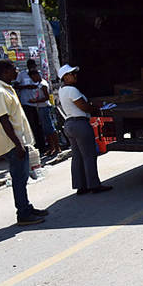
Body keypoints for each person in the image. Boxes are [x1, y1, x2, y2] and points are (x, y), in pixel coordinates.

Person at [0, 59, 48, 226]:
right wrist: (18, 144)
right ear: (6, 71)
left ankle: (27, 207)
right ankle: (22, 213)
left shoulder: (7, 89)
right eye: (14, 69)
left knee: (22, 177)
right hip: (12, 144)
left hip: (18, 141)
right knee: (19, 178)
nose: (17, 72)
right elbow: (4, 121)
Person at [58, 64, 112, 194]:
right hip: (80, 123)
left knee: (77, 156)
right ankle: (94, 185)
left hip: (70, 124)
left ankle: (80, 186)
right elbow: (84, 107)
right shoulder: (72, 90)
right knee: (89, 155)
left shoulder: (62, 90)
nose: (75, 76)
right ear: (65, 77)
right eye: (72, 74)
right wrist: (97, 109)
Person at [15, 59, 59, 156]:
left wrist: (35, 101)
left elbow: (46, 97)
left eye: (33, 78)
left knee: (50, 128)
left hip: (44, 107)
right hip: (39, 107)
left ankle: (57, 147)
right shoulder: (32, 80)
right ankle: (52, 147)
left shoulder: (42, 84)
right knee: (46, 129)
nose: (33, 80)